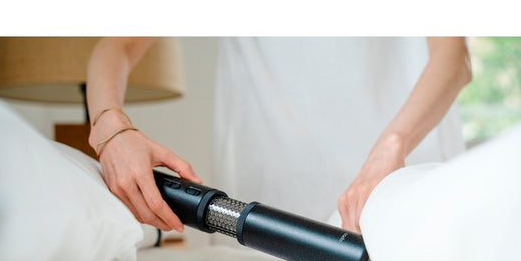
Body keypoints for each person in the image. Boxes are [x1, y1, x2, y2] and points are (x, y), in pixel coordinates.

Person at [86, 37, 471, 235]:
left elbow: (453, 56)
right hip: (262, 213)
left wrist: (392, 145)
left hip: (396, 185)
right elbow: (118, 44)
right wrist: (110, 125)